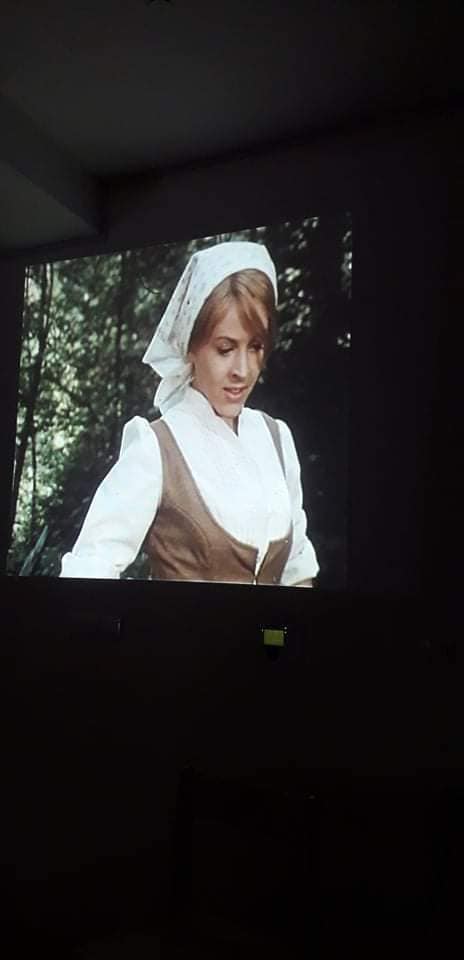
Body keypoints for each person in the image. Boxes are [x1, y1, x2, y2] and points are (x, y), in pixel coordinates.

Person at [60, 241, 319, 585]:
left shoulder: (276, 438)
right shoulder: (156, 447)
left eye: (255, 347)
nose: (242, 370)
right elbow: (91, 564)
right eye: (225, 349)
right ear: (190, 346)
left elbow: (297, 565)